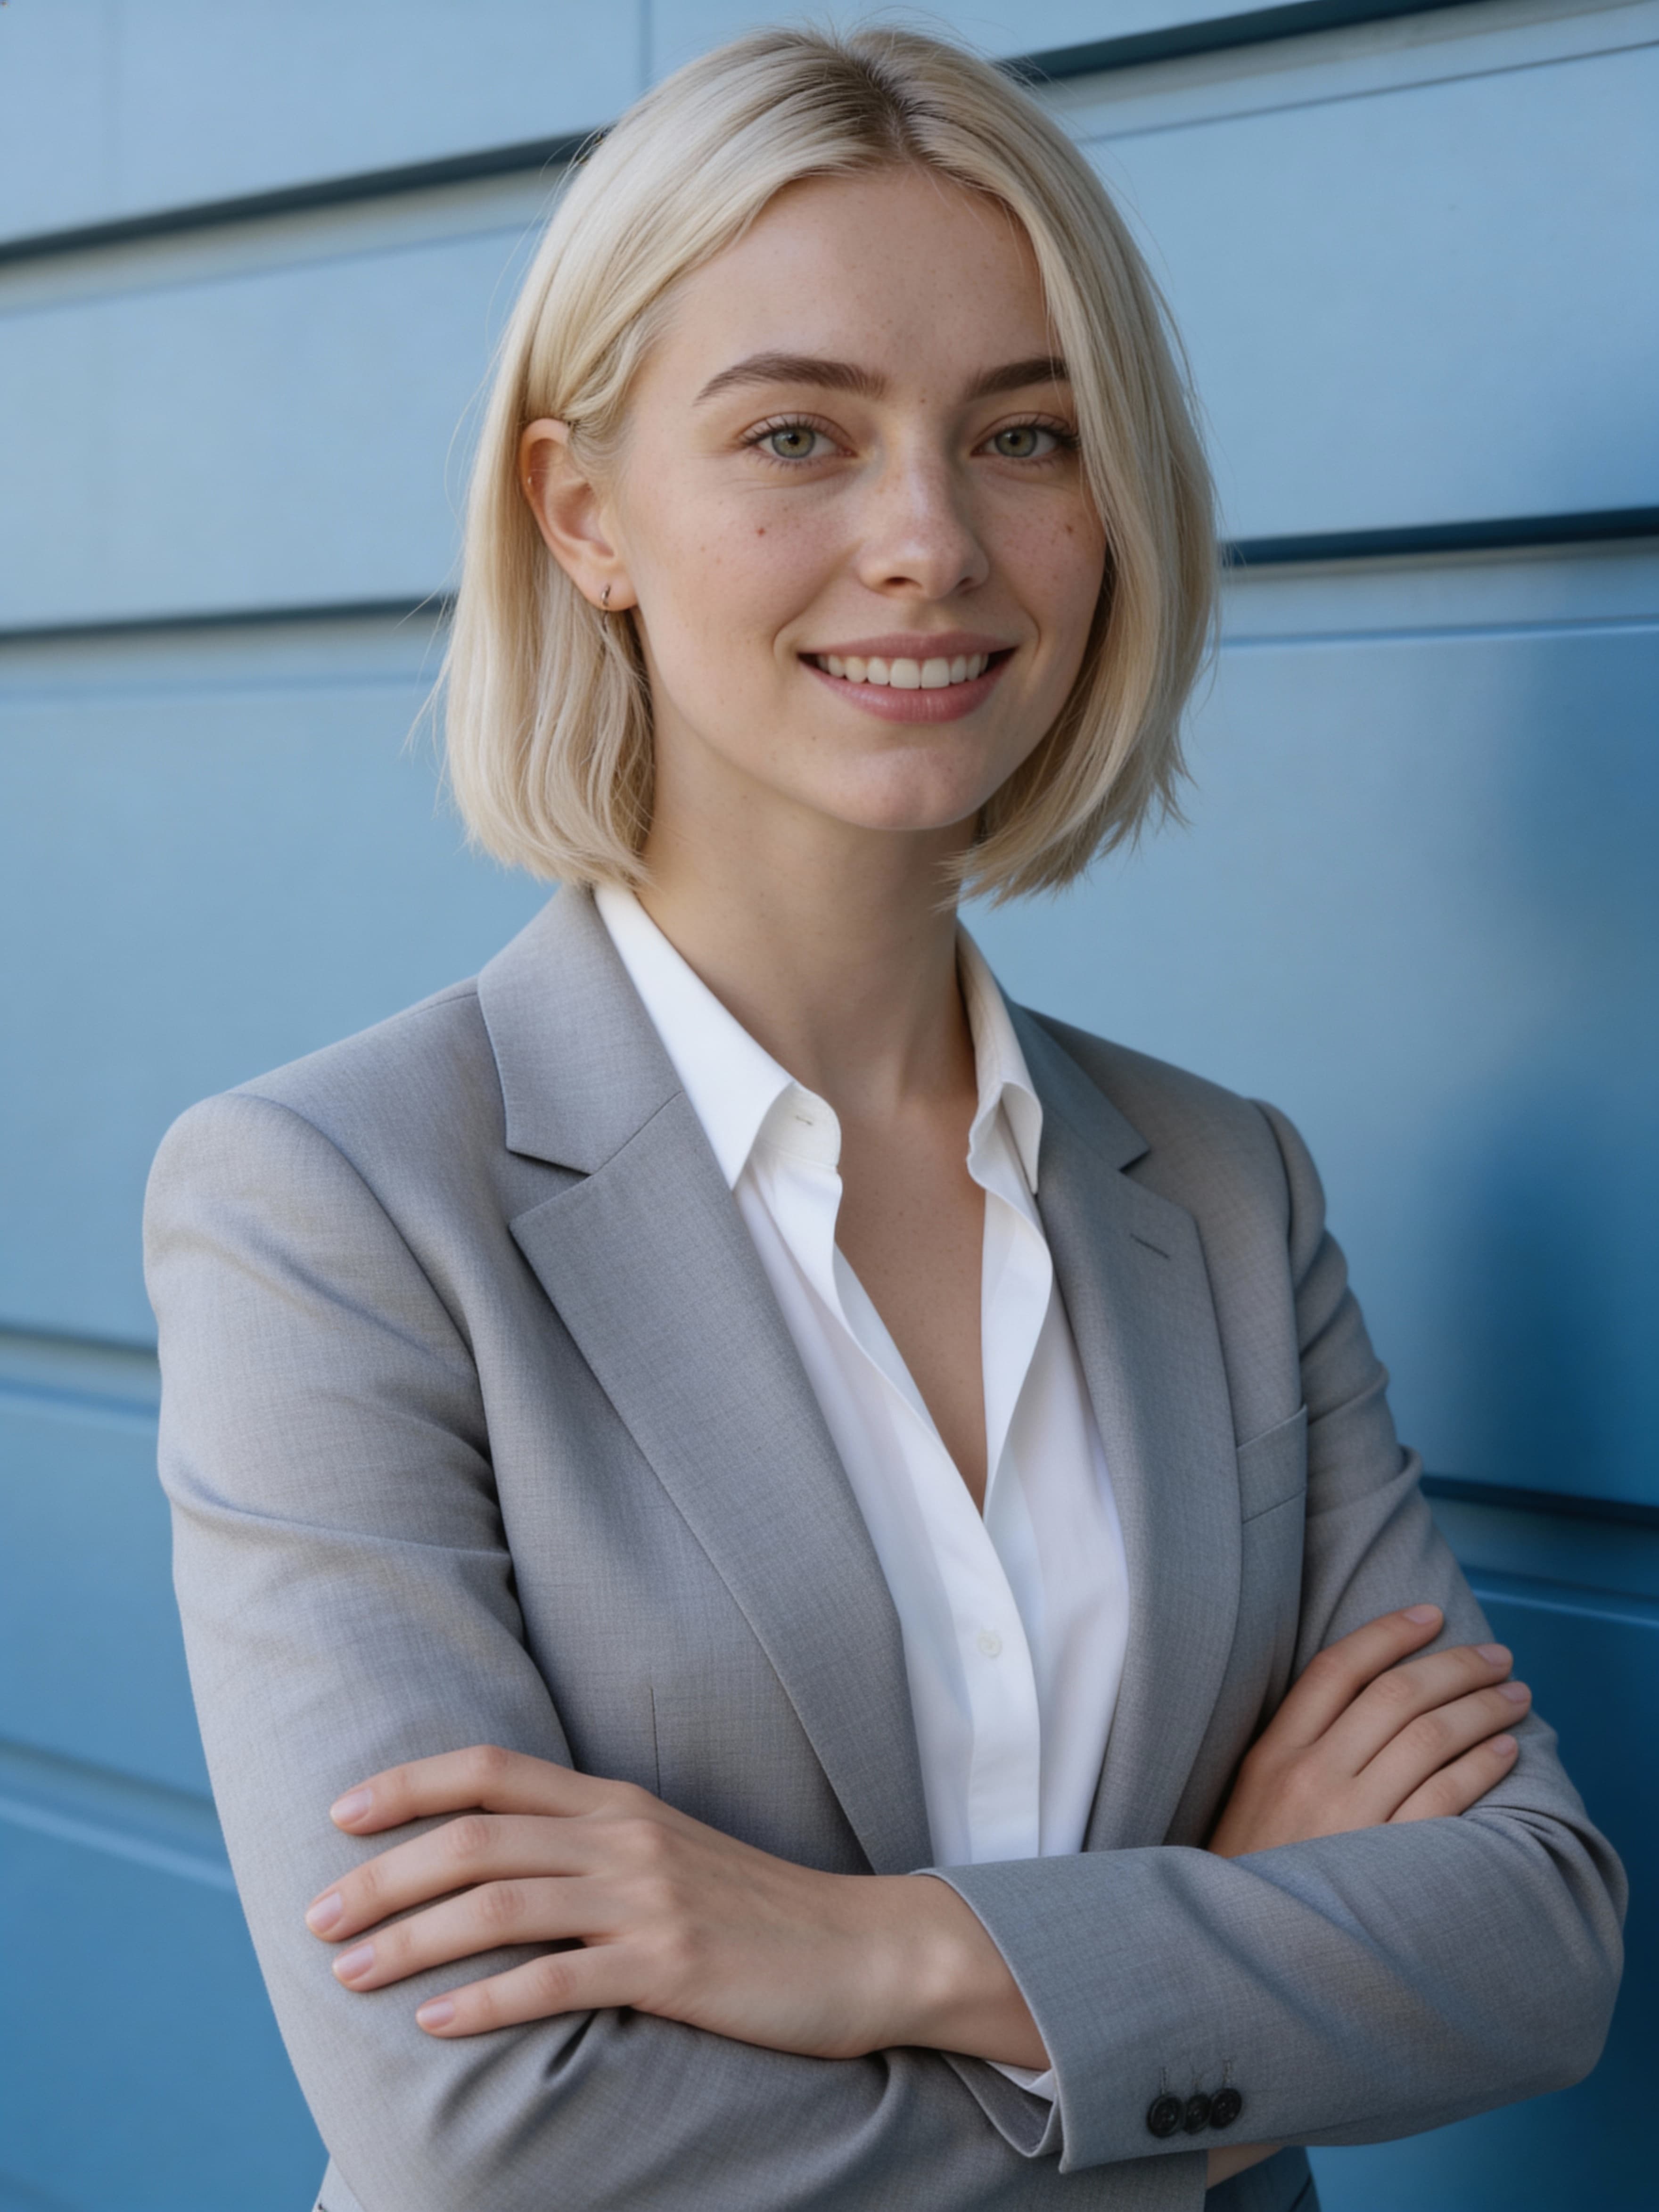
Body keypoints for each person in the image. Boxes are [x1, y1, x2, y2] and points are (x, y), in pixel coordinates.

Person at [144, 26, 1624, 2212]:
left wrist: (866, 1952)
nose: (928, 541)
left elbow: (1528, 1948)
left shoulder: (1220, 1189)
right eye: (797, 435)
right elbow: (491, 2134)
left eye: (1022, 433)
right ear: (586, 514)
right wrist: (1200, 1987)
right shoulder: (336, 1204)